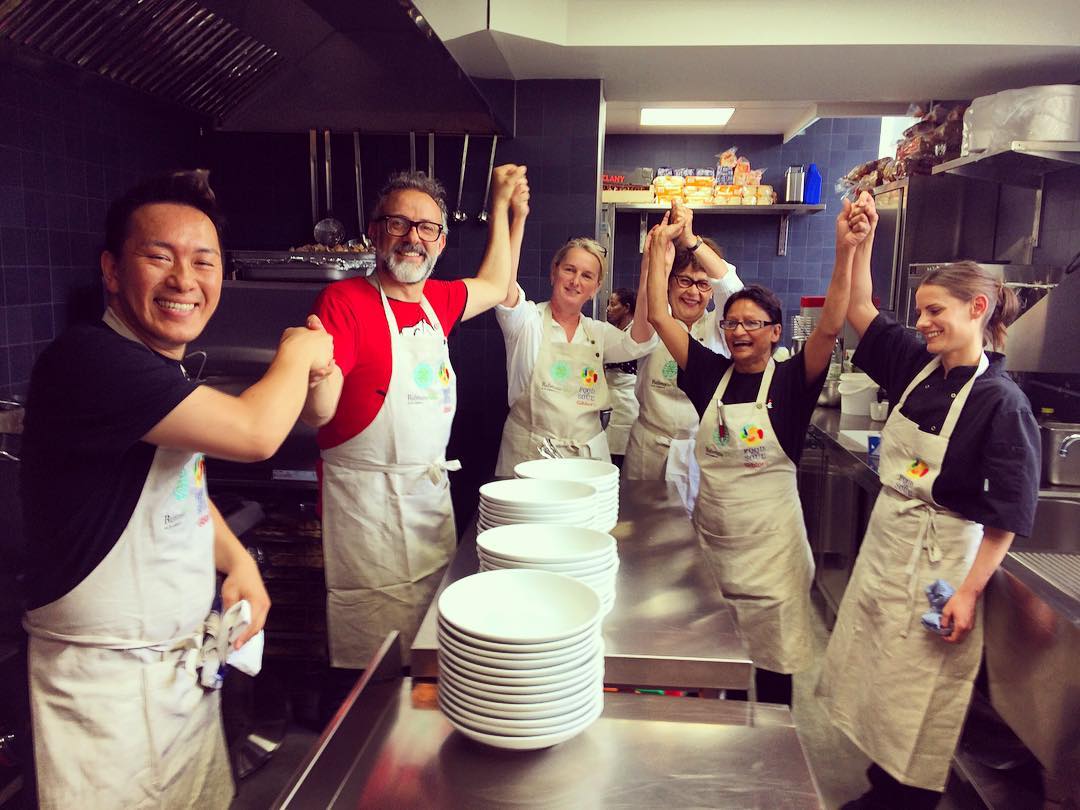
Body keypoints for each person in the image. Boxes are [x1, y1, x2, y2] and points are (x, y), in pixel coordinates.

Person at [19, 170, 334, 809]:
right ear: (111, 271)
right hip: (103, 696)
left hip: (179, 682)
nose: (183, 280)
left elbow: (177, 485)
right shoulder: (91, 359)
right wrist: (299, 353)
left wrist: (237, 558)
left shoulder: (157, 368)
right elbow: (254, 434)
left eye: (203, 261)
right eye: (159, 257)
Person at [816, 196, 1041, 810]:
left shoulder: (1001, 401)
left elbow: (1011, 512)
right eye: (919, 311)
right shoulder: (921, 363)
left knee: (921, 685)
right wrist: (857, 243)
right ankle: (879, 784)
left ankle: (905, 799)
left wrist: (967, 592)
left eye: (934, 311)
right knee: (879, 673)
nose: (922, 322)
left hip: (943, 562)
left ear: (978, 308)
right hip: (892, 541)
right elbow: (862, 309)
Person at [301, 165, 527, 671]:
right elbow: (320, 412)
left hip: (428, 503)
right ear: (375, 232)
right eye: (399, 224)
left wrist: (504, 208)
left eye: (427, 228)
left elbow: (496, 281)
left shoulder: (438, 301)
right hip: (367, 510)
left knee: (430, 645)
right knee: (374, 659)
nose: (413, 238)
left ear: (442, 242)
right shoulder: (344, 302)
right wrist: (314, 387)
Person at [646, 200, 870, 706]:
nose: (740, 332)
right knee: (716, 662)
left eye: (752, 323)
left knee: (772, 674)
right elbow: (659, 315)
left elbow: (831, 327)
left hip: (773, 560)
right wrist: (659, 252)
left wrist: (845, 250)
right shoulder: (707, 374)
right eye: (731, 323)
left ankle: (773, 761)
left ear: (774, 331)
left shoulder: (792, 382)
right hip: (714, 550)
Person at [494, 212, 657, 475]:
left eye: (587, 276)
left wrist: (649, 264)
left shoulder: (598, 333)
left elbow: (641, 341)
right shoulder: (527, 321)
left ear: (596, 287)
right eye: (569, 270)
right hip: (529, 455)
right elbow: (505, 290)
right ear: (554, 273)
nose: (575, 281)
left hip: (588, 460)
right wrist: (518, 217)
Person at [625, 201, 743, 511]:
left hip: (702, 452)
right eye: (685, 280)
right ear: (669, 282)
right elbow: (650, 304)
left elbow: (733, 291)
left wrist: (692, 242)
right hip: (649, 448)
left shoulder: (721, 327)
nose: (694, 292)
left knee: (696, 543)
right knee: (642, 535)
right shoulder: (654, 320)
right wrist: (654, 257)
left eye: (704, 284)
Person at [602, 286, 639, 466]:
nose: (608, 308)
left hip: (628, 401)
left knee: (623, 459)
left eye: (613, 304)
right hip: (611, 400)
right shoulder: (611, 332)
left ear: (626, 307)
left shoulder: (636, 335)